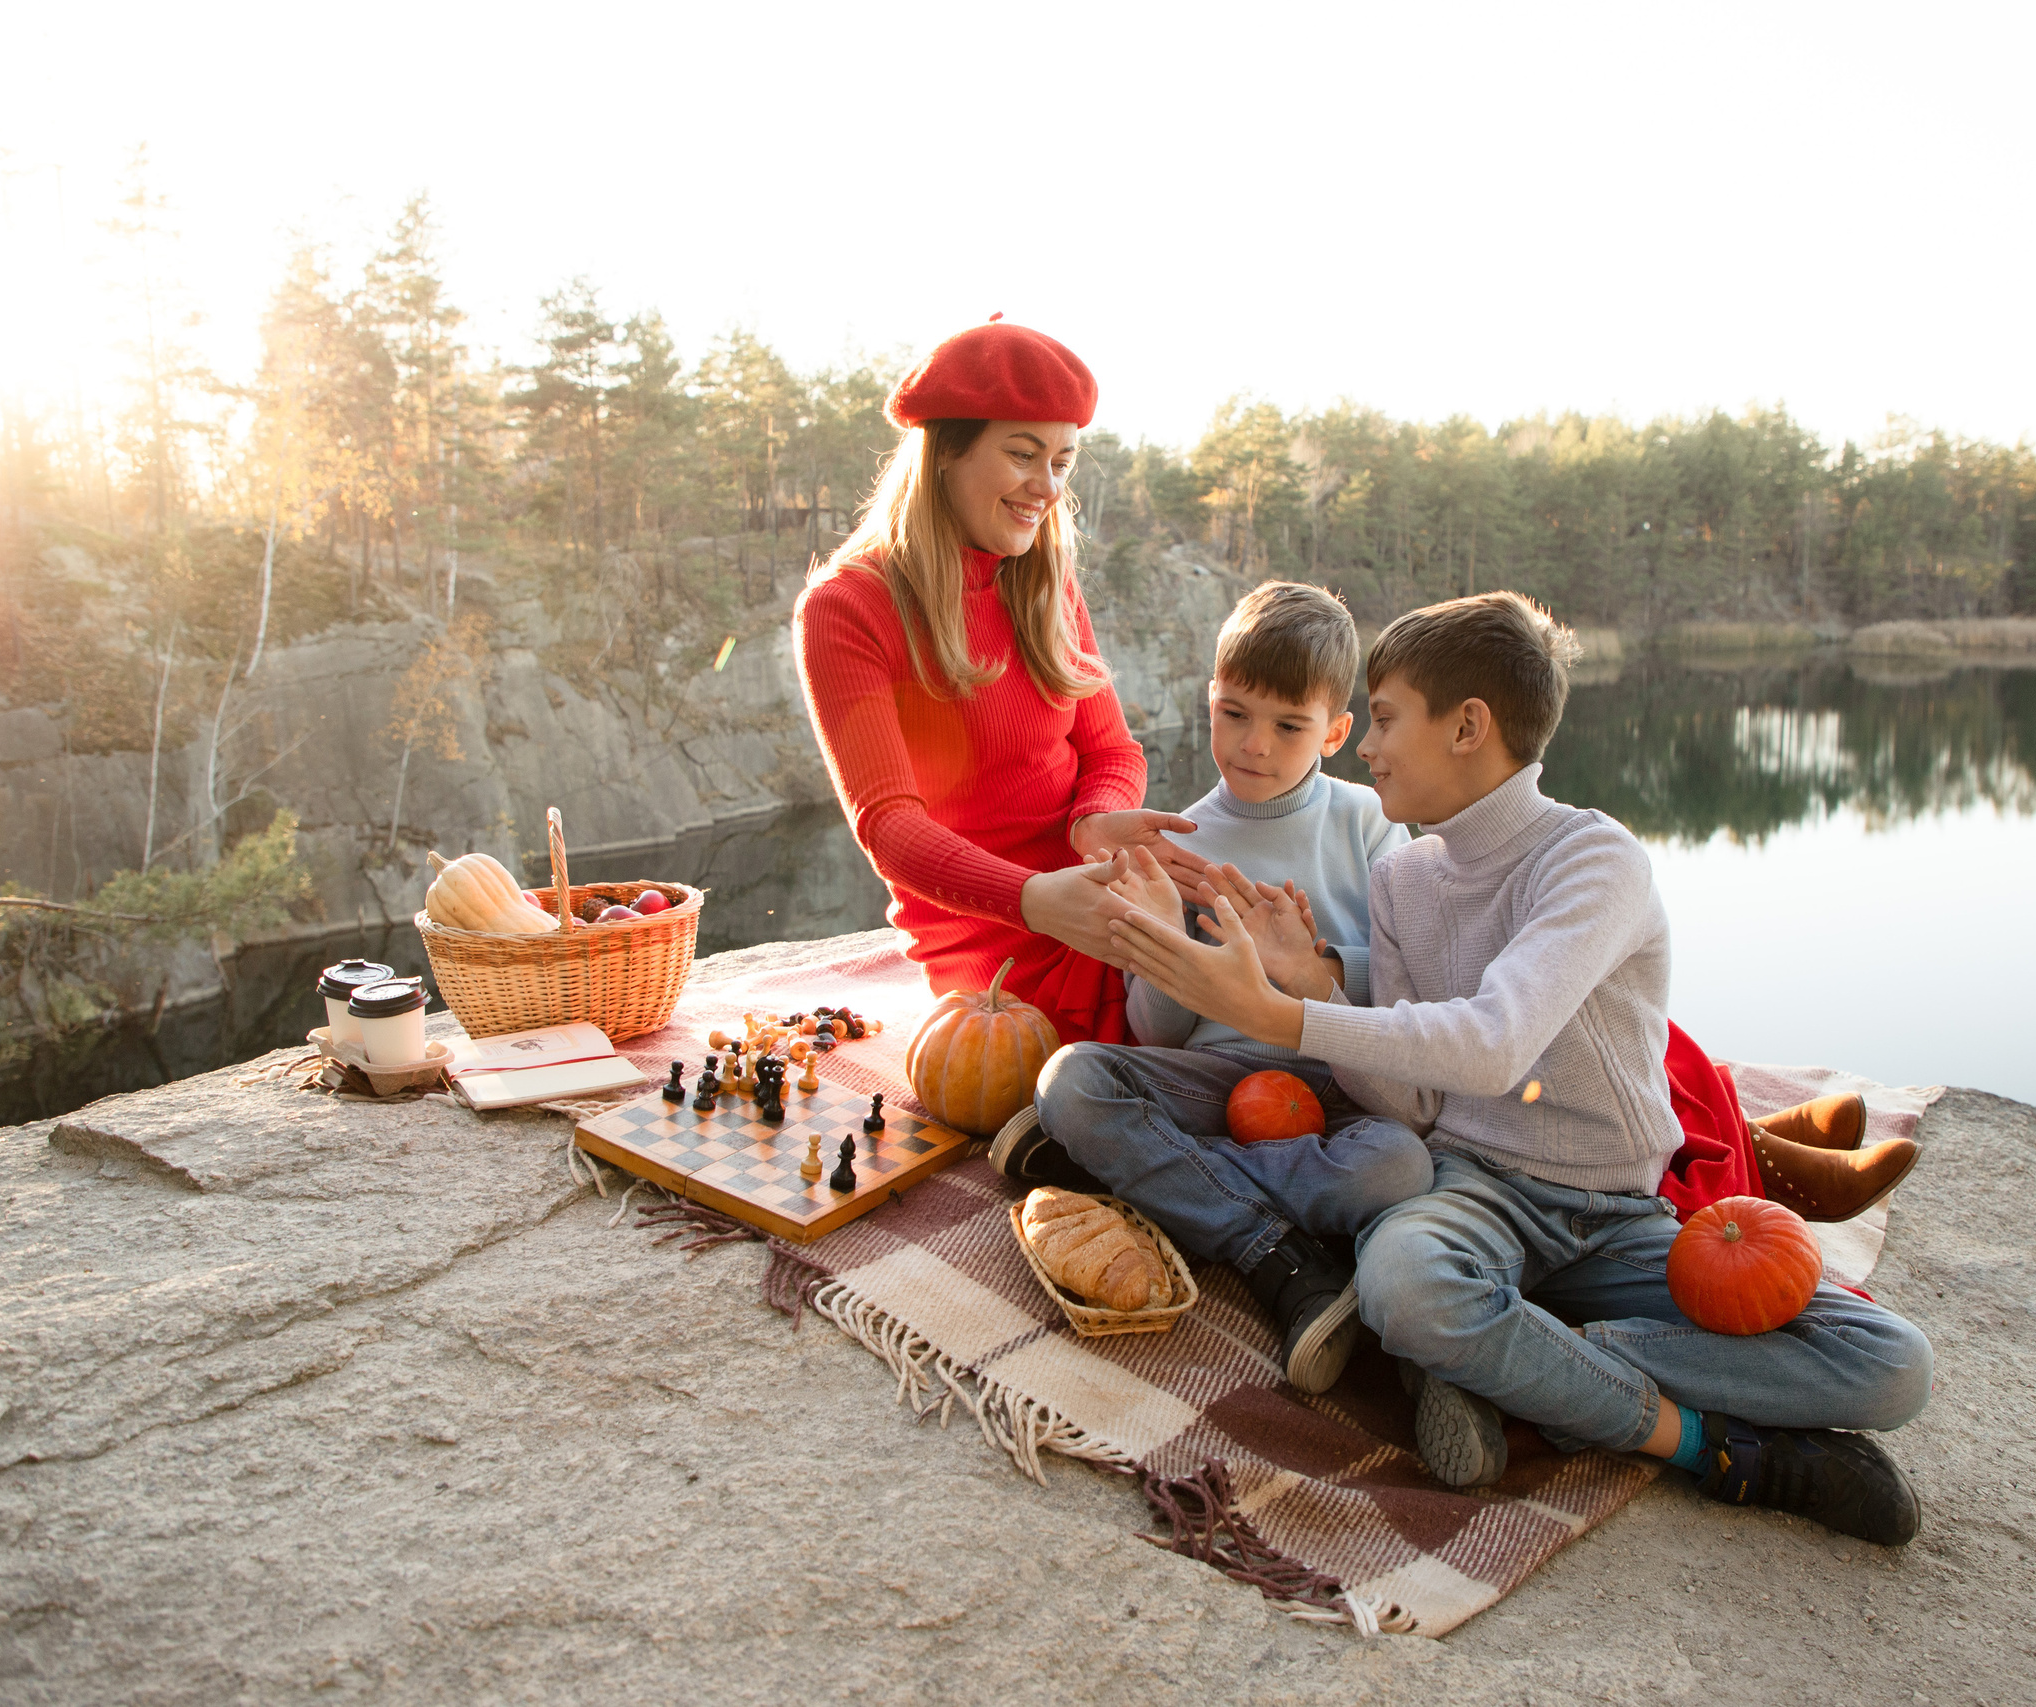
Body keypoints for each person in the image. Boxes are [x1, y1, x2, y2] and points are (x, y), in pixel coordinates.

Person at [1107, 590, 1935, 1546]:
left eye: (1381, 718)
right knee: (1404, 1284)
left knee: (1889, 1363)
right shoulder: (1401, 878)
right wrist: (1322, 987)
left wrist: (1283, 1013)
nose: (1365, 748)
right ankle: (1715, 1447)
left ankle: (1523, 1357)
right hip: (1476, 1193)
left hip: (1617, 1212)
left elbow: (1496, 1041)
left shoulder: (1593, 857)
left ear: (1468, 726)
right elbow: (1415, 1100)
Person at [1010, 583, 1433, 1393]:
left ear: (1337, 732)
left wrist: (1314, 968)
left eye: (1288, 725)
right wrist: (1166, 935)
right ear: (1209, 700)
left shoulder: (1369, 823)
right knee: (1074, 1081)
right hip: (1213, 1085)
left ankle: (1163, 1175)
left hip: (1333, 1079)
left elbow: (1411, 984)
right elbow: (1158, 1033)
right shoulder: (1179, 841)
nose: (1254, 746)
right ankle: (1271, 1246)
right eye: (1234, 713)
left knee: (1401, 1167)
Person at [793, 320, 1199, 1042]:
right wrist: (1036, 897)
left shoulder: (1045, 583)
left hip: (1091, 893)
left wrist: (1092, 820)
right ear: (946, 450)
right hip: (995, 944)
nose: (1045, 487)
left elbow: (1113, 753)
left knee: (1281, 928)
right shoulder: (846, 608)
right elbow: (889, 827)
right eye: (1023, 454)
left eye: (1063, 462)